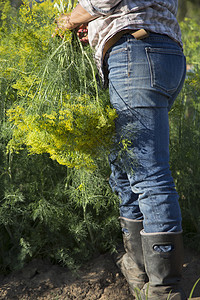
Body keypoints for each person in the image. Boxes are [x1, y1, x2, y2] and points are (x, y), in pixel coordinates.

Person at [55, 1, 186, 299]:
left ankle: (165, 290)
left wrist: (72, 19)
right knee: (125, 167)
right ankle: (138, 271)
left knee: (148, 173)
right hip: (158, 52)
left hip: (135, 53)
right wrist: (101, 27)